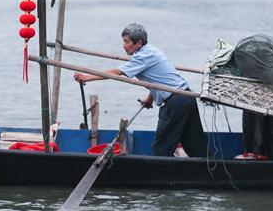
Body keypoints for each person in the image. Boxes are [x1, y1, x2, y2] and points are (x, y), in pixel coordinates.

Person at [73, 23, 208, 157]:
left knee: (161, 149)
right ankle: (209, 169)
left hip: (176, 102)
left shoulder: (142, 56)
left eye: (127, 42)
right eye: (123, 41)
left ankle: (165, 171)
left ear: (138, 43)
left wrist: (87, 77)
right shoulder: (150, 51)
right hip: (186, 97)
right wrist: (149, 99)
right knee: (195, 146)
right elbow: (158, 80)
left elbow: (116, 72)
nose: (124, 45)